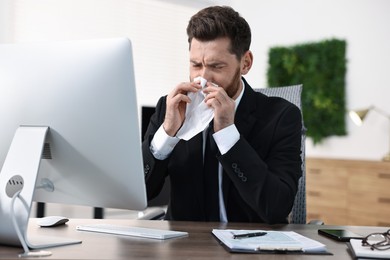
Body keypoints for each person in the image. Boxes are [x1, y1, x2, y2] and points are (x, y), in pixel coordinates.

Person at [142, 6, 302, 224]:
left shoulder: (282, 116)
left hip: (250, 247)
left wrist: (228, 133)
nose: (203, 77)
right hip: (184, 246)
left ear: (245, 63)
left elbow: (275, 208)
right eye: (196, 65)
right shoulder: (168, 108)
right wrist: (167, 133)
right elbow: (140, 195)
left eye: (216, 66)